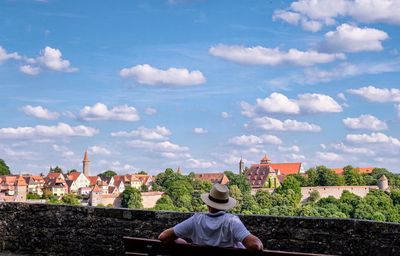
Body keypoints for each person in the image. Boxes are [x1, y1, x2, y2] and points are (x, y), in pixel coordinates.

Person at [158, 183, 263, 251]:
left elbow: (163, 237)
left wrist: (183, 243)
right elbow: (255, 246)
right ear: (226, 205)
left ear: (208, 204)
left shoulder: (196, 220)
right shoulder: (232, 221)